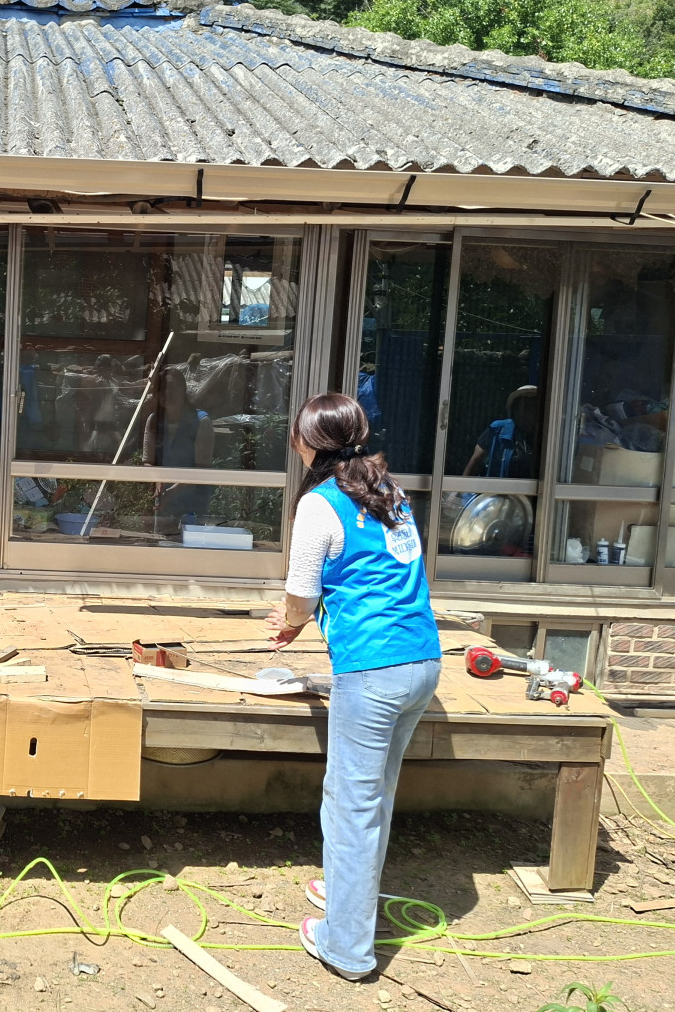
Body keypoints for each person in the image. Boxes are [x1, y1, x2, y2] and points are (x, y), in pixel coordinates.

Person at [267, 392, 442, 981]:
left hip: (372, 670)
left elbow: (301, 592)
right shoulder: (389, 492)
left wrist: (289, 623)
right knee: (374, 796)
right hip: (422, 661)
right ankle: (346, 891)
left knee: (350, 806)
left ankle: (345, 947)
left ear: (306, 443)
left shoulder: (320, 504)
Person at [463, 385, 540, 478]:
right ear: (515, 409)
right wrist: (463, 487)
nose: (531, 411)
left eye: (534, 406)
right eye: (526, 406)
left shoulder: (547, 435)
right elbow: (475, 462)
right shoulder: (497, 430)